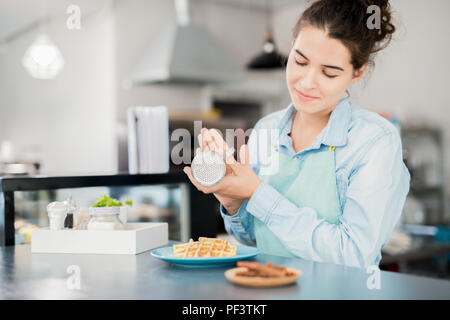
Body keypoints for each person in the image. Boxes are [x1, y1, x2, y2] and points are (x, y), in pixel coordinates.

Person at [183, 0, 410, 269]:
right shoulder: (267, 129)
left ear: (356, 73)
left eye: (328, 73)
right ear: (290, 49)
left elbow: (354, 255)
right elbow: (255, 239)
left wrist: (257, 193)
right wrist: (234, 203)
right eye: (300, 61)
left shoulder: (374, 141)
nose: (306, 82)